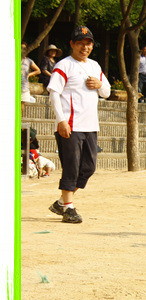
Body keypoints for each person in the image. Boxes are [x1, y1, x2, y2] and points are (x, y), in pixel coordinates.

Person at [47, 25, 111, 223]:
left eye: (88, 43)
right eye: (80, 43)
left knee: (88, 167)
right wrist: (61, 120)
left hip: (90, 125)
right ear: (72, 44)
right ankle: (68, 209)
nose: (85, 47)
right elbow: (54, 94)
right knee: (71, 166)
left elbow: (107, 92)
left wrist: (100, 85)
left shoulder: (95, 66)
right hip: (70, 125)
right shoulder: (64, 66)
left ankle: (61, 202)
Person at [21, 41, 41, 111]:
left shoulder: (28, 61)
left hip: (24, 86)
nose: (22, 50)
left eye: (24, 48)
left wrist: (29, 74)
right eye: (21, 48)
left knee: (20, 107)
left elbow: (38, 70)